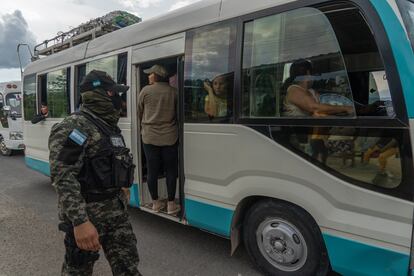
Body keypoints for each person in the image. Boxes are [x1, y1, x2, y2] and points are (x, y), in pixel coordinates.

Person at [48, 70, 141, 275]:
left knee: (128, 268)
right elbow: (63, 176)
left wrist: (123, 187)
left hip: (116, 214)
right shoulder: (75, 127)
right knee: (78, 271)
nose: (118, 99)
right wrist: (80, 222)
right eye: (113, 93)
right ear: (100, 94)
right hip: (88, 216)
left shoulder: (109, 127)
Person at [138, 64, 180, 215]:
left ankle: (155, 203)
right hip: (170, 136)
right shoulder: (174, 92)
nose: (148, 76)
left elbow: (139, 112)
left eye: (150, 74)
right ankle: (170, 205)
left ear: (155, 76)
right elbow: (178, 114)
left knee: (152, 170)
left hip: (149, 136)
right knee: (170, 170)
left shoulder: (145, 91)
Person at [282, 59, 353, 117]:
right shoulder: (294, 90)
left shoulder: (311, 91)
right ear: (308, 73)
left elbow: (324, 105)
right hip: (300, 131)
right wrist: (345, 108)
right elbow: (315, 108)